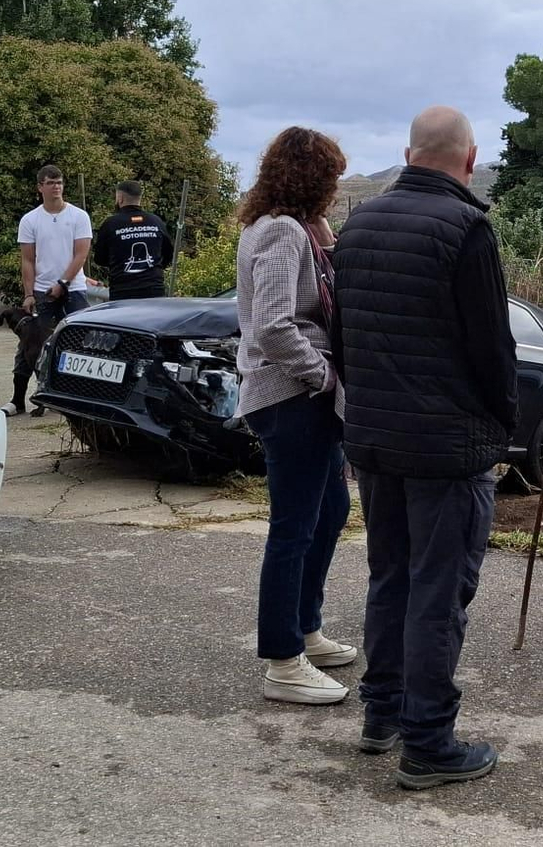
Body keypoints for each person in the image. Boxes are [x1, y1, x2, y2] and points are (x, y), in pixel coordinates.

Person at [330, 105, 516, 791]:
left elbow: (342, 337)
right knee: (438, 592)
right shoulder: (468, 228)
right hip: (446, 447)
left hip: (376, 438)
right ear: (468, 162)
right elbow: (493, 349)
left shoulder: (357, 226)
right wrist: (502, 427)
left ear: (409, 155)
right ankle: (430, 741)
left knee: (390, 577)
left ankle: (382, 716)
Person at [234, 129, 358, 705]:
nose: (333, 191)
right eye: (329, 180)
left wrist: (324, 239)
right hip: (291, 396)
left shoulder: (292, 230)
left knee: (330, 510)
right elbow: (275, 325)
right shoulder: (281, 232)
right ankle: (283, 660)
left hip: (301, 397)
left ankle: (305, 628)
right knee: (294, 526)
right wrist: (323, 377)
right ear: (312, 180)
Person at [12, 164, 92, 416]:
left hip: (74, 287)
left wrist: (64, 283)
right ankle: (24, 397)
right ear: (40, 187)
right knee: (34, 345)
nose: (56, 187)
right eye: (50, 182)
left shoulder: (79, 216)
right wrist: (28, 293)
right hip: (42, 289)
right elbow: (27, 259)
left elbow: (81, 254)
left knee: (80, 341)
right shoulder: (30, 219)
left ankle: (79, 394)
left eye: (59, 182)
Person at [93, 180, 174, 300]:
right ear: (139, 198)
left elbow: (99, 258)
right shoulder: (156, 222)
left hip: (122, 290)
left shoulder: (111, 224)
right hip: (153, 289)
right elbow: (168, 254)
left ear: (120, 198)